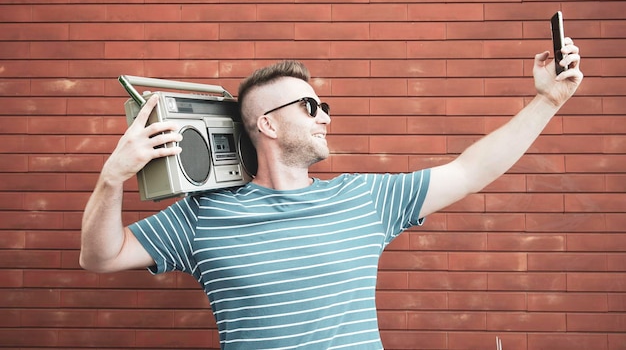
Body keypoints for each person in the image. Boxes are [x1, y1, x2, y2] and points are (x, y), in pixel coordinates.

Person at [80, 39, 583, 349]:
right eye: (311, 105)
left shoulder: (364, 199)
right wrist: (112, 177)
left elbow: (471, 171)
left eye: (325, 104)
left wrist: (547, 101)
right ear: (268, 124)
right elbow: (101, 257)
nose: (325, 115)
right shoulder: (203, 215)